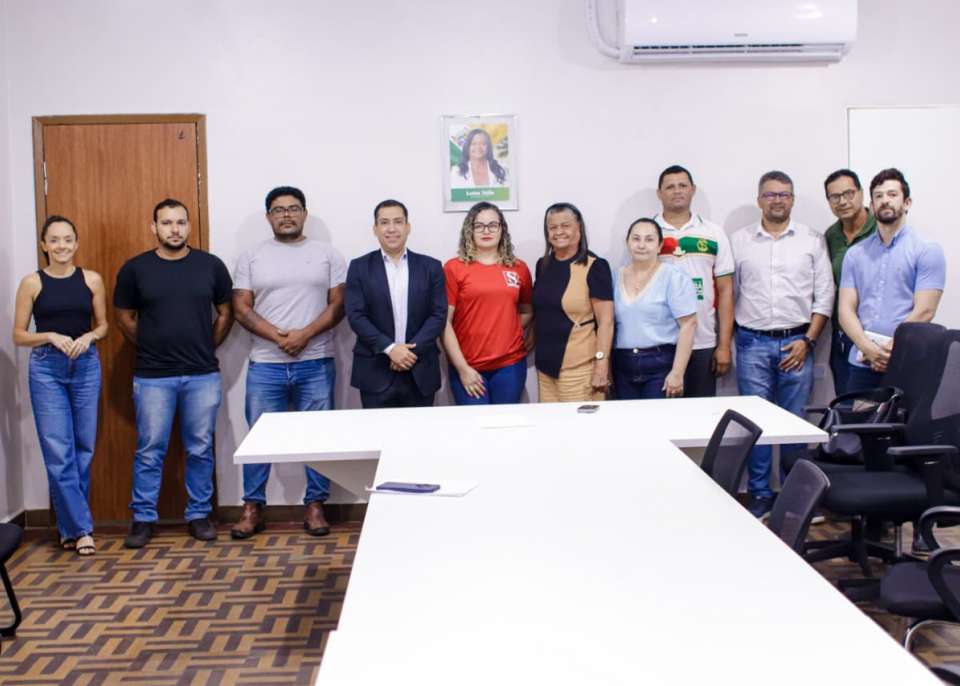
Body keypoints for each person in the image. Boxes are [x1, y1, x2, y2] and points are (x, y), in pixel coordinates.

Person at [114, 198, 234, 548]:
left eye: (180, 222)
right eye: (166, 223)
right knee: (150, 449)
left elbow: (225, 313)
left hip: (202, 375)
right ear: (154, 227)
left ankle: (199, 515)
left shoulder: (210, 266)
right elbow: (124, 318)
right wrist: (152, 344)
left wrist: (206, 345)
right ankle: (142, 519)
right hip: (153, 376)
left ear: (189, 226)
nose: (175, 229)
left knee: (200, 448)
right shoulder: (135, 269)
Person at [230, 186, 346, 540]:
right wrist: (279, 337)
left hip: (316, 360)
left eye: (293, 209)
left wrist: (304, 335)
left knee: (319, 437)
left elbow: (338, 305)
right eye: (279, 210)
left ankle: (316, 505)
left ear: (304, 214)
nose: (286, 215)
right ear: (269, 216)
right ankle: (252, 507)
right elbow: (241, 307)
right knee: (259, 437)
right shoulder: (251, 257)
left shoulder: (327, 254)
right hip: (265, 363)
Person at [731, 172, 834, 519]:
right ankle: (760, 494)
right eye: (770, 194)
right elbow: (731, 294)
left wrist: (808, 340)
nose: (777, 200)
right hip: (752, 342)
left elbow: (825, 296)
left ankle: (794, 497)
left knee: (794, 423)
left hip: (798, 343)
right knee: (756, 424)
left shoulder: (812, 240)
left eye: (784, 194)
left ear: (793, 199)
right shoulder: (739, 241)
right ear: (759, 199)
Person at [12, 216, 107, 556]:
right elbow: (18, 335)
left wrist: (89, 337)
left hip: (86, 365)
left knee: (84, 449)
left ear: (76, 243)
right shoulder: (31, 283)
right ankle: (82, 530)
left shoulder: (92, 279)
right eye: (54, 240)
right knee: (58, 451)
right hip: (46, 369)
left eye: (67, 239)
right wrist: (49, 335)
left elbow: (103, 325)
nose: (61, 246)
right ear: (44, 245)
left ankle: (69, 528)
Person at [838, 168, 945, 392]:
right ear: (872, 205)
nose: (885, 200)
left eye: (892, 194)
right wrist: (868, 348)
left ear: (907, 202)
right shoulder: (855, 254)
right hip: (863, 361)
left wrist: (891, 349)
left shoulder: (926, 250)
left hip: (907, 359)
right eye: (878, 196)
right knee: (859, 414)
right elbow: (845, 310)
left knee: (902, 416)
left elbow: (925, 310)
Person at [345, 199, 447, 408]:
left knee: (421, 429)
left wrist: (409, 353)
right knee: (377, 430)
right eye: (384, 222)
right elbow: (356, 315)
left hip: (420, 369)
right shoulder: (359, 267)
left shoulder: (431, 267)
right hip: (375, 370)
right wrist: (390, 348)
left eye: (398, 222)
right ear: (375, 229)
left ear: (408, 227)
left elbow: (438, 314)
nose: (391, 229)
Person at [653, 165, 734, 397]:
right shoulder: (647, 233)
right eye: (670, 187)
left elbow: (726, 291)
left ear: (693, 190)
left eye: (682, 185)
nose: (677, 191)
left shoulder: (713, 232)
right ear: (659, 193)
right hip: (660, 342)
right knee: (660, 413)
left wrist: (724, 345)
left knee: (701, 413)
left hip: (703, 340)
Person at [442, 201, 532, 405]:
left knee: (505, 422)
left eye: (493, 225)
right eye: (479, 225)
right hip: (468, 366)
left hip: (510, 365)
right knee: (476, 423)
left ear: (502, 229)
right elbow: (444, 323)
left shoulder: (518, 268)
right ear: (469, 230)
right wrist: (462, 368)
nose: (486, 231)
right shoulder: (454, 268)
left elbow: (527, 310)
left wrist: (507, 329)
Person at [533, 202, 614, 403]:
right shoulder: (542, 265)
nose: (559, 232)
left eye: (565, 225)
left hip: (580, 370)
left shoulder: (595, 266)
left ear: (579, 228)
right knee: (550, 422)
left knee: (579, 424)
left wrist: (601, 364)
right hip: (545, 371)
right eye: (553, 227)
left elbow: (606, 321)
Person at [612, 218, 697, 399]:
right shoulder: (615, 276)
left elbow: (688, 324)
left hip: (661, 365)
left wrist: (677, 373)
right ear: (627, 243)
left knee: (658, 417)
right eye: (636, 239)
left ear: (659, 246)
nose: (641, 245)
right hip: (623, 365)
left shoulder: (673, 276)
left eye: (649, 239)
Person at [822, 169, 877, 396]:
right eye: (835, 197)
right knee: (846, 403)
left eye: (849, 193)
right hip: (844, 337)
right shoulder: (830, 236)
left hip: (880, 336)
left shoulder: (881, 227)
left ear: (861, 193)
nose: (843, 201)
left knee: (881, 406)